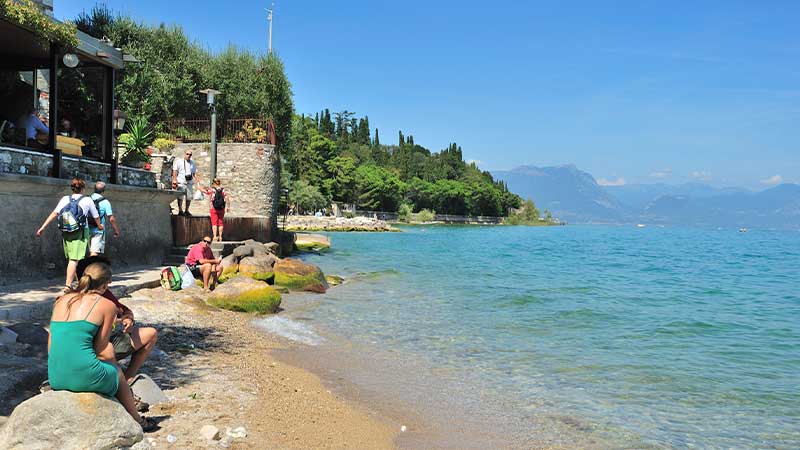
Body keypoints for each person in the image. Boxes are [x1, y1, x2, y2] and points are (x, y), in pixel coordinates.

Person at [47, 261, 156, 431]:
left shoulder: (61, 300)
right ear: (106, 284)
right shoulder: (107, 305)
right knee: (117, 372)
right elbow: (101, 349)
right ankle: (138, 421)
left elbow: (50, 345)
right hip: (84, 374)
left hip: (56, 376)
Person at [76, 256, 157, 385]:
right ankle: (124, 383)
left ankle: (128, 376)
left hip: (72, 357)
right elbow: (102, 347)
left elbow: (123, 309)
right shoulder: (103, 302)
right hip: (91, 353)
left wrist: (128, 317)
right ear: (103, 282)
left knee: (150, 333)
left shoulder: (66, 300)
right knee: (108, 350)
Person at [36, 178, 102, 292]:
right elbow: (96, 216)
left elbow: (54, 213)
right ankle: (67, 285)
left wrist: (43, 227)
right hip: (80, 231)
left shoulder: (65, 198)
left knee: (76, 258)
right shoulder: (87, 200)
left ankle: (81, 283)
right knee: (74, 259)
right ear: (83, 188)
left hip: (66, 231)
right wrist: (100, 226)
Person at [89, 181, 120, 256]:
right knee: (94, 253)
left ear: (94, 189)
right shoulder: (105, 202)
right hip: (98, 230)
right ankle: (92, 267)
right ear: (103, 191)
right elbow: (111, 218)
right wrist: (116, 230)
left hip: (86, 228)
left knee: (88, 252)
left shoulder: (87, 199)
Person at [171, 149, 199, 216]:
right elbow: (175, 171)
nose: (188, 155)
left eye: (190, 154)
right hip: (181, 182)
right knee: (180, 197)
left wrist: (197, 180)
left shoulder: (192, 163)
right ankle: (180, 210)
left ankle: (187, 210)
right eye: (187, 154)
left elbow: (194, 173)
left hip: (189, 182)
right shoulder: (179, 161)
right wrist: (174, 180)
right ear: (184, 154)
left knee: (189, 197)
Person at [204, 178, 230, 242]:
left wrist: (199, 186)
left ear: (214, 183)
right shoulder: (223, 190)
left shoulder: (212, 190)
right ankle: (220, 237)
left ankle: (215, 237)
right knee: (220, 223)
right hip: (221, 208)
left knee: (214, 223)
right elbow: (227, 198)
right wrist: (228, 207)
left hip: (213, 208)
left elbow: (204, 191)